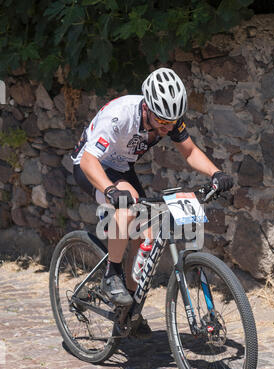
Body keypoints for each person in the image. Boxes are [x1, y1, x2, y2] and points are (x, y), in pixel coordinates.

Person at [72, 67, 233, 336]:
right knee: (128, 207)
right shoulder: (119, 115)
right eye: (161, 120)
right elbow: (89, 160)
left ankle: (130, 311)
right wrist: (111, 191)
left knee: (146, 234)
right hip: (92, 165)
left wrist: (216, 173)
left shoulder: (168, 119)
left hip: (121, 166)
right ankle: (111, 276)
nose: (166, 127)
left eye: (171, 122)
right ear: (146, 105)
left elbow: (190, 151)